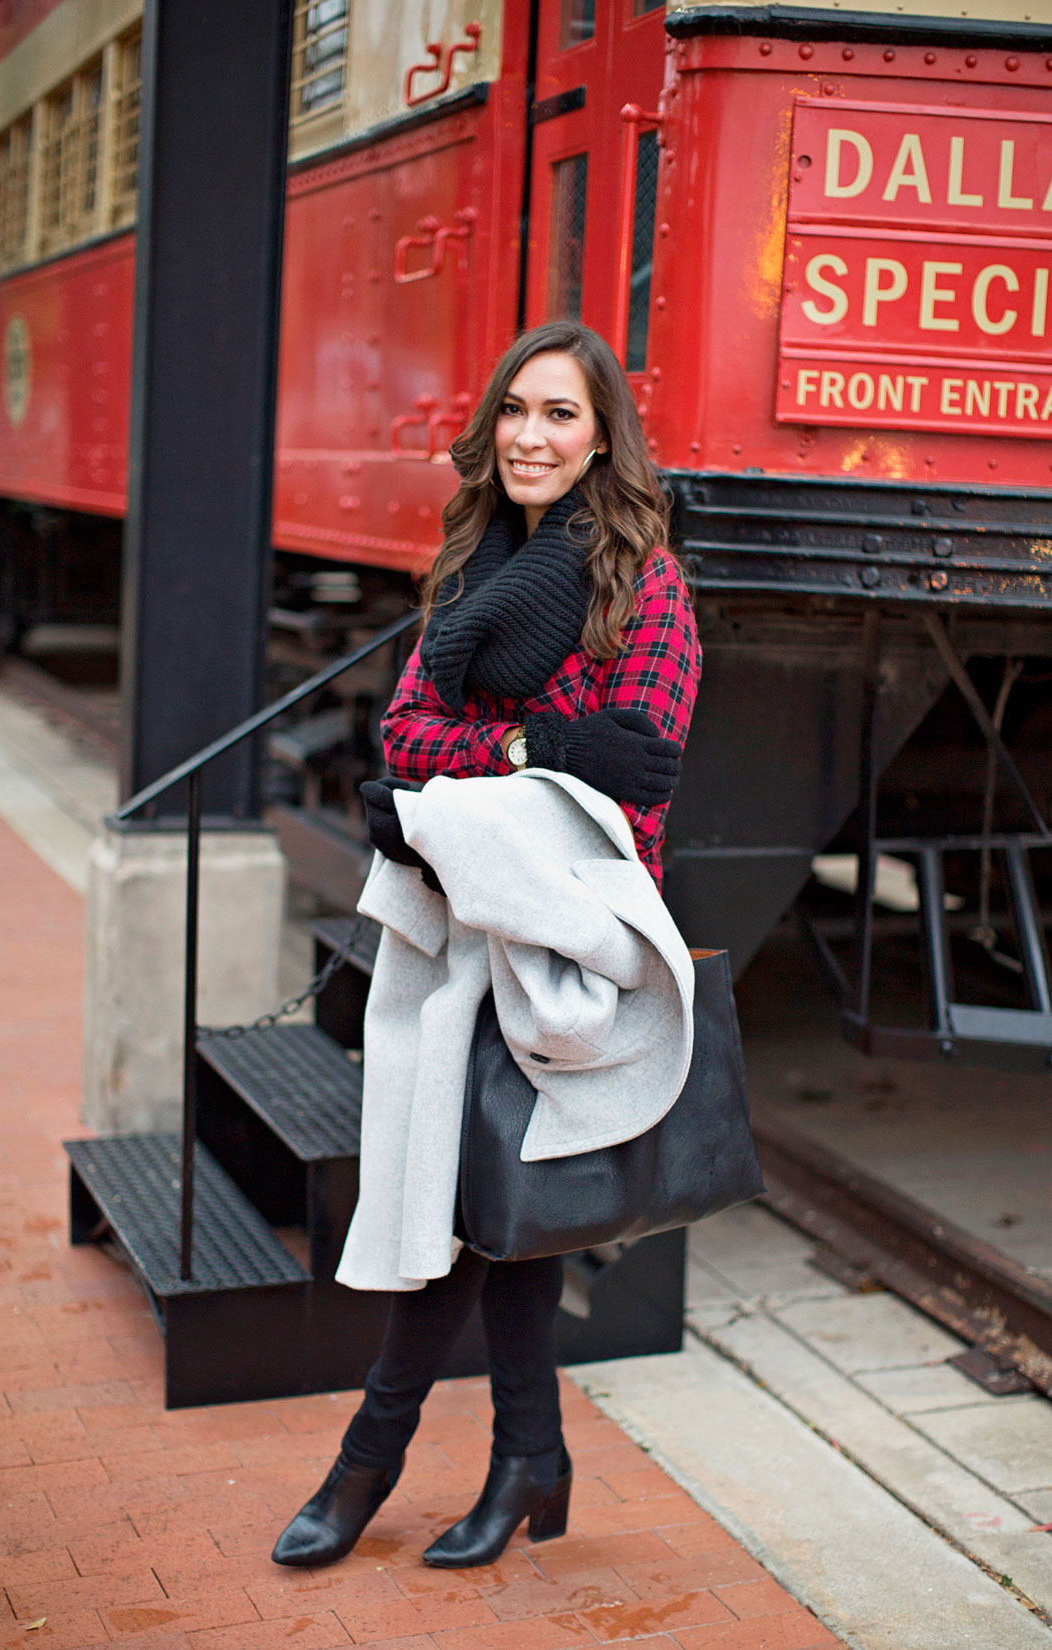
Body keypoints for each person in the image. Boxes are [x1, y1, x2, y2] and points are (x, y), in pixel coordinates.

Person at [271, 320, 702, 1572]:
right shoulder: (464, 574)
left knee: (468, 1205)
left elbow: (638, 778)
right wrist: (526, 756)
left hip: (570, 950)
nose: (529, 436)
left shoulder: (647, 583)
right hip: (458, 943)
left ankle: (371, 1456)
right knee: (487, 1206)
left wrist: (468, 777)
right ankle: (528, 1459)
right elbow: (401, 738)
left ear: (601, 433)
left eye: (560, 414)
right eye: (514, 410)